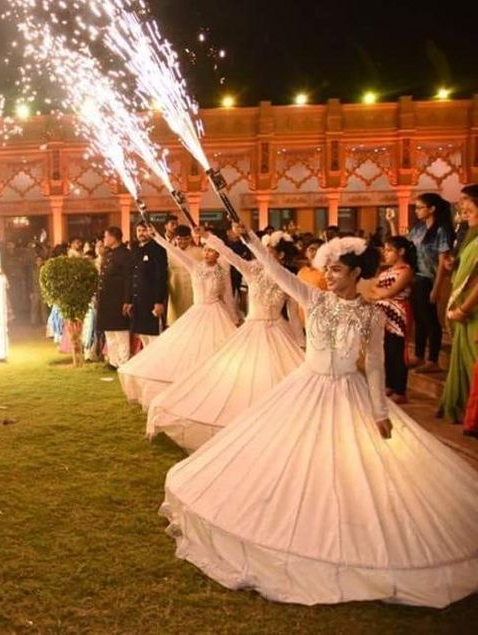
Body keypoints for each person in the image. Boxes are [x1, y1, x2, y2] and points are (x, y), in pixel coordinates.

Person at [162, 230, 478, 608]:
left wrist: (380, 411)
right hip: (305, 385)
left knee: (347, 466)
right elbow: (275, 273)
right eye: (327, 269)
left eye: (338, 270)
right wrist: (249, 242)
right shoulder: (314, 298)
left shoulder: (370, 315)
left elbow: (376, 365)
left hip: (347, 389)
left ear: (357, 272)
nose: (329, 276)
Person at [147, 229, 303, 452]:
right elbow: (229, 254)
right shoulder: (252, 271)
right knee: (243, 378)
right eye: (263, 252)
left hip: (278, 330)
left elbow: (294, 314)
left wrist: (299, 341)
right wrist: (208, 237)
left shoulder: (288, 279)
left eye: (270, 253)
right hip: (253, 329)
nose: (264, 255)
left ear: (281, 256)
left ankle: (272, 421)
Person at [118, 226, 238, 406]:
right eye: (205, 250)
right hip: (197, 311)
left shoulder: (222, 272)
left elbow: (227, 294)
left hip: (217, 313)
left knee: (218, 349)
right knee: (190, 347)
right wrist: (157, 236)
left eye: (211, 251)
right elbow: (174, 251)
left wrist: (233, 316)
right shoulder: (195, 267)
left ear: (218, 254)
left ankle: (215, 382)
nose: (206, 254)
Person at [388, 196, 454, 373]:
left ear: (432, 209)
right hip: (415, 277)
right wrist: (392, 222)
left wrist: (437, 287)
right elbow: (402, 243)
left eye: (419, 207)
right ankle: (418, 355)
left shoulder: (441, 230)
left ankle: (433, 359)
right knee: (419, 318)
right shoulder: (418, 228)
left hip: (428, 278)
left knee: (430, 319)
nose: (416, 210)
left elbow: (442, 260)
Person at [439, 185, 478, 422]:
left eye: (467, 203)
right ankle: (467, 410)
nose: (462, 207)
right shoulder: (470, 237)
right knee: (464, 360)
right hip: (466, 310)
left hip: (472, 311)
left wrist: (463, 309)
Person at [364, 236, 416, 403]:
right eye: (385, 250)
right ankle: (389, 384)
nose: (385, 253)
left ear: (401, 251)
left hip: (398, 313)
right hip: (382, 313)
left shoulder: (406, 270)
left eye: (389, 250)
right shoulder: (385, 272)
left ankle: (400, 390)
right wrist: (379, 292)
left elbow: (388, 292)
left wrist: (379, 292)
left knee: (397, 351)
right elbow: (372, 291)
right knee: (385, 350)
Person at [94, 227, 133, 367]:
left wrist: (127, 300)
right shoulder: (108, 254)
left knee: (121, 332)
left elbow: (129, 279)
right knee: (109, 332)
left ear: (113, 237)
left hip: (118, 299)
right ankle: (113, 361)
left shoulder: (125, 254)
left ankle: (124, 362)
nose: (104, 239)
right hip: (106, 299)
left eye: (106, 236)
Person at [128, 221, 168, 350]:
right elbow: (132, 275)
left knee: (153, 335)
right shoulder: (135, 249)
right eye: (139, 230)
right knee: (142, 334)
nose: (141, 233)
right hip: (137, 299)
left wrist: (159, 301)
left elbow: (161, 276)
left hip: (151, 299)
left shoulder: (158, 249)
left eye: (144, 230)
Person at [166, 224, 204, 325]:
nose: (182, 241)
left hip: (194, 293)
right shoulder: (169, 252)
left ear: (191, 238)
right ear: (175, 239)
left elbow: (211, 269)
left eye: (186, 238)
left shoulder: (200, 252)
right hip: (175, 292)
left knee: (194, 323)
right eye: (179, 239)